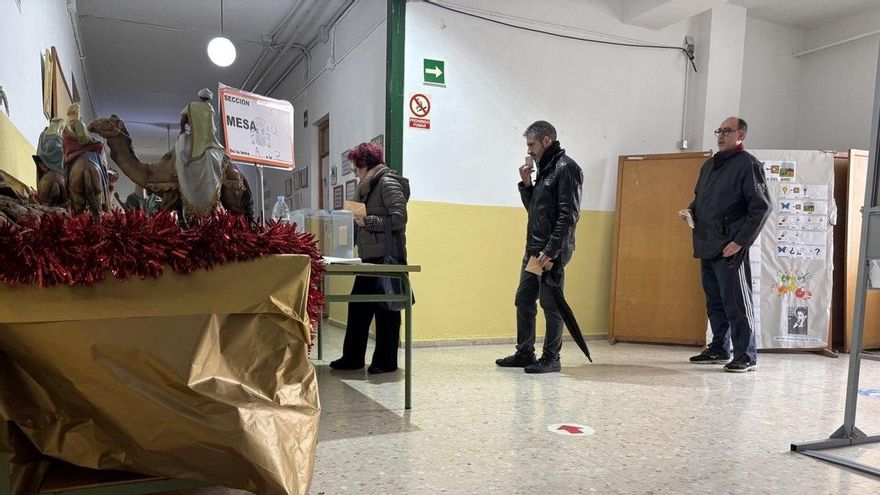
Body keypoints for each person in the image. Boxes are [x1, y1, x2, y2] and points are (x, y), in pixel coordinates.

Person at [496, 120, 588, 374]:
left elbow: (568, 215)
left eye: (532, 144)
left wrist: (551, 251)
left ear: (546, 140)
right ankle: (525, 352)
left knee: (550, 302)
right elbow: (536, 212)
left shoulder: (566, 168)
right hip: (535, 249)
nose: (530, 150)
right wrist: (527, 185)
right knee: (524, 298)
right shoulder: (545, 170)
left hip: (551, 250)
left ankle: (552, 358)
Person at [680, 117, 771, 373]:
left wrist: (740, 241)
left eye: (727, 131)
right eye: (719, 131)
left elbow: (762, 207)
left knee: (737, 302)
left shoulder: (748, 165)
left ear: (741, 134)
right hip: (707, 243)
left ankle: (746, 354)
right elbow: (701, 199)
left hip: (731, 247)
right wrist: (690, 210)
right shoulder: (709, 165)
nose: (721, 135)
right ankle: (720, 347)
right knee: (715, 301)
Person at [330, 143, 410, 374]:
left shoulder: (387, 182)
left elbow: (399, 219)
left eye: (356, 167)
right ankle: (352, 358)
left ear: (364, 164)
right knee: (358, 308)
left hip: (387, 256)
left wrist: (368, 221)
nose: (356, 172)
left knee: (387, 310)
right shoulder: (368, 185)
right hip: (370, 256)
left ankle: (386, 362)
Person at [179, 88, 224, 164]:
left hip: (196, 135)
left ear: (200, 97)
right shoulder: (210, 108)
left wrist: (182, 130)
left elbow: (183, 119)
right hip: (210, 138)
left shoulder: (191, 105)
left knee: (181, 151)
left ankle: (182, 165)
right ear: (209, 99)